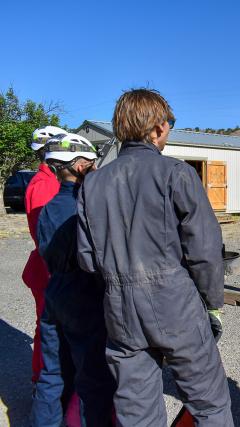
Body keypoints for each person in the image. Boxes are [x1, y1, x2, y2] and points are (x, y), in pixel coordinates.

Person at [77, 88, 233, 426]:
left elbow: (88, 259)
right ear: (158, 128)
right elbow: (204, 250)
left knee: (137, 410)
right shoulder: (176, 173)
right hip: (174, 300)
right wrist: (212, 304)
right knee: (209, 403)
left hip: (120, 308)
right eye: (169, 123)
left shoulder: (92, 185)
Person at [31, 134, 115, 426]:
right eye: (92, 165)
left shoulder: (50, 207)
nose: (95, 170)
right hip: (82, 296)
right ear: (80, 166)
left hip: (55, 293)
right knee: (93, 377)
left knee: (52, 374)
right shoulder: (83, 210)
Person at [22, 125, 66, 383]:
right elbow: (46, 236)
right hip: (48, 271)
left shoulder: (50, 181)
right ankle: (43, 380)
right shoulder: (43, 185)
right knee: (48, 329)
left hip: (49, 268)